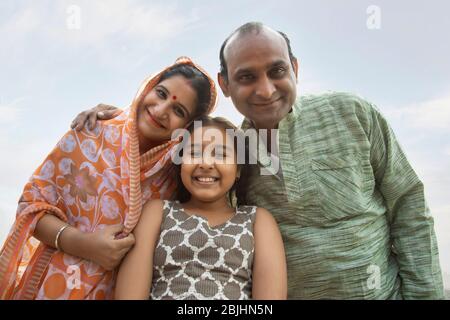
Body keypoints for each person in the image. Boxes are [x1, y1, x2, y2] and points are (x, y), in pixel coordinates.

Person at [71, 22, 445, 299]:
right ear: (226, 84)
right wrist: (121, 121)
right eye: (247, 77)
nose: (265, 90)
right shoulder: (237, 152)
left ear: (295, 69)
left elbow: (409, 205)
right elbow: (171, 163)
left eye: (277, 71)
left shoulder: (354, 114)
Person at [0, 57, 217, 299]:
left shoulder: (174, 175)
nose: (161, 110)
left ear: (187, 127)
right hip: (50, 287)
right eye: (161, 93)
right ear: (147, 88)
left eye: (178, 110)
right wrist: (84, 244)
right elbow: (31, 206)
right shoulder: (90, 134)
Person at [114, 116, 286, 300]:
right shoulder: (157, 212)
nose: (205, 163)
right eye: (194, 153)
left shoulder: (257, 220)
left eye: (220, 155)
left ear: (238, 170)